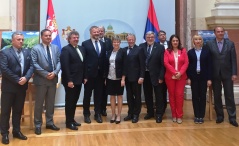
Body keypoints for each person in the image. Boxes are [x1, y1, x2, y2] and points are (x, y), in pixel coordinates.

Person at [0, 32, 33, 144]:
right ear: (12, 40)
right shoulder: (4, 52)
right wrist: (17, 79)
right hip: (9, 87)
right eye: (18, 39)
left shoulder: (27, 51)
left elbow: (31, 67)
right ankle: (4, 133)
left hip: (22, 87)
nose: (21, 41)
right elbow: (4, 69)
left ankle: (16, 131)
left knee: (18, 111)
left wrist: (26, 78)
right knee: (5, 111)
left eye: (22, 39)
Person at [206, 26, 238, 127]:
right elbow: (207, 61)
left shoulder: (230, 44)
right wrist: (208, 76)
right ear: (214, 33)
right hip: (214, 74)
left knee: (229, 95)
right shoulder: (209, 44)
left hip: (228, 74)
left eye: (222, 31)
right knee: (217, 96)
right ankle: (220, 116)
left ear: (224, 32)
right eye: (218, 31)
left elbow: (233, 60)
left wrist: (234, 73)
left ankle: (232, 117)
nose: (220, 33)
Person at [31, 29, 61, 135]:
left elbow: (58, 61)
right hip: (41, 80)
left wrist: (55, 72)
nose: (48, 37)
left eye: (50, 35)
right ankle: (38, 125)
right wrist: (45, 74)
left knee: (50, 103)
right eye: (46, 36)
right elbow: (34, 63)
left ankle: (49, 123)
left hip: (53, 79)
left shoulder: (55, 48)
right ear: (41, 37)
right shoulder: (35, 48)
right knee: (39, 104)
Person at [60, 30, 85, 130]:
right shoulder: (66, 50)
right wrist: (69, 81)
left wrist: (84, 77)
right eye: (74, 38)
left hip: (79, 80)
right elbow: (65, 67)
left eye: (77, 37)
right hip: (70, 81)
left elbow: (82, 64)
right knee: (70, 102)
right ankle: (68, 122)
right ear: (69, 39)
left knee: (74, 102)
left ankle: (72, 119)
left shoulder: (81, 49)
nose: (76, 39)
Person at [82, 26, 107, 124]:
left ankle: (97, 114)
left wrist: (105, 75)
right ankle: (86, 114)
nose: (96, 33)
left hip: (100, 75)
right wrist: (84, 76)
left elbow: (104, 60)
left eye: (97, 32)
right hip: (89, 75)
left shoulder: (103, 44)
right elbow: (83, 61)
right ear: (90, 33)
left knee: (98, 95)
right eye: (94, 32)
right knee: (87, 96)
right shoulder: (85, 44)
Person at [139, 31, 165, 123]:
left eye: (152, 37)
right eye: (148, 37)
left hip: (157, 75)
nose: (150, 39)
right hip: (145, 75)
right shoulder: (141, 46)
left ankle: (159, 114)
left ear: (155, 38)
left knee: (159, 95)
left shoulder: (160, 47)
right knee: (147, 95)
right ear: (145, 38)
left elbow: (163, 64)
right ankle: (150, 112)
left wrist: (161, 77)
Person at [187, 35, 212, 124]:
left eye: (199, 39)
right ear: (193, 41)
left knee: (202, 96)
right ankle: (196, 115)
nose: (198, 41)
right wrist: (188, 78)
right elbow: (188, 66)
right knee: (195, 96)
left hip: (203, 77)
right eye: (196, 39)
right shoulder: (190, 52)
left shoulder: (207, 52)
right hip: (194, 77)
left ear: (202, 41)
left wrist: (209, 79)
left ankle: (201, 115)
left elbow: (209, 66)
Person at [164, 34, 188, 124]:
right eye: (173, 41)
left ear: (179, 42)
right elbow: (166, 63)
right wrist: (174, 72)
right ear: (171, 42)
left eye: (176, 41)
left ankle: (179, 115)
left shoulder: (183, 51)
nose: (175, 42)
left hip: (181, 77)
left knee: (179, 95)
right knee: (172, 95)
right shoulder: (167, 51)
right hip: (170, 77)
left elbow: (186, 63)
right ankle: (174, 114)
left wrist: (180, 73)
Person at [123, 33, 145, 123]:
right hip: (127, 78)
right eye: (129, 39)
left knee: (137, 97)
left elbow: (142, 65)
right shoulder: (124, 50)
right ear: (127, 40)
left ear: (135, 40)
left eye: (132, 39)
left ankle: (136, 114)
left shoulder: (139, 49)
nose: (130, 41)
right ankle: (130, 113)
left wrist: (141, 76)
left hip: (136, 78)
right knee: (129, 96)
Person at [106, 36, 125, 124]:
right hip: (110, 77)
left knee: (119, 96)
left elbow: (126, 66)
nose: (116, 44)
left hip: (119, 78)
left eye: (117, 42)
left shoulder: (123, 52)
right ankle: (113, 114)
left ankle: (118, 115)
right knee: (112, 96)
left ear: (120, 43)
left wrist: (123, 79)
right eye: (114, 42)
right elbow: (106, 65)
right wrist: (106, 78)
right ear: (112, 43)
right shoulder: (109, 52)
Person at [98, 26, 113, 116]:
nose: (100, 32)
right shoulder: (93, 42)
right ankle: (98, 109)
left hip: (107, 69)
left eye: (101, 31)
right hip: (97, 70)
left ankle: (103, 109)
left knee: (105, 91)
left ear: (104, 32)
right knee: (98, 91)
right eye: (98, 31)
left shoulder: (108, 41)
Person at [158, 30, 169, 114]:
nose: (162, 36)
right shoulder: (156, 45)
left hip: (171, 71)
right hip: (160, 72)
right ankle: (162, 108)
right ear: (158, 37)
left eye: (164, 35)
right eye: (161, 35)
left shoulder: (171, 44)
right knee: (161, 91)